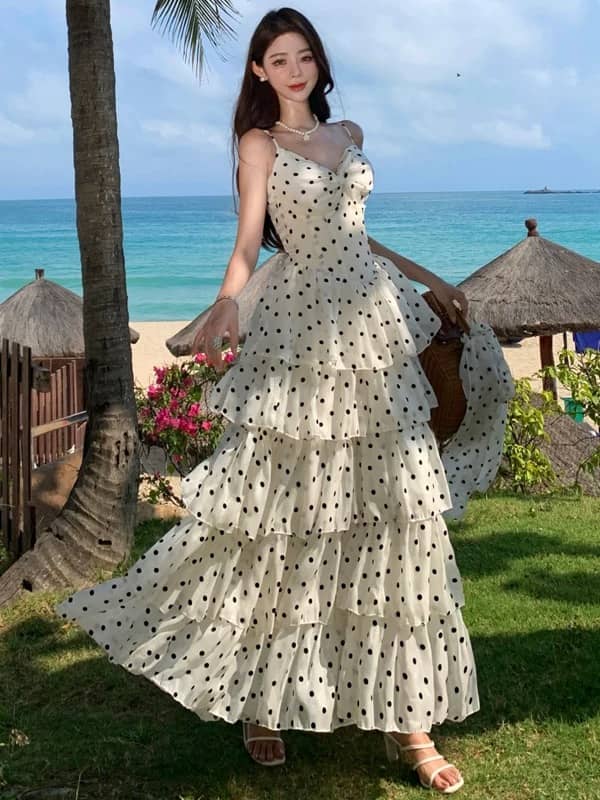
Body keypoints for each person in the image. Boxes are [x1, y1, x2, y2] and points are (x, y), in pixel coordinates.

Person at [55, 7, 509, 795]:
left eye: (305, 56)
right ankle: (260, 702)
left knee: (394, 512)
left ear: (318, 63)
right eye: (280, 59)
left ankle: (410, 723)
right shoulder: (258, 144)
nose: (295, 69)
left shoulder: (350, 133)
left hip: (370, 320)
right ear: (259, 72)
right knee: (284, 516)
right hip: (301, 330)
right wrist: (225, 306)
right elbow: (248, 242)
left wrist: (429, 275)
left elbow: (355, 234)